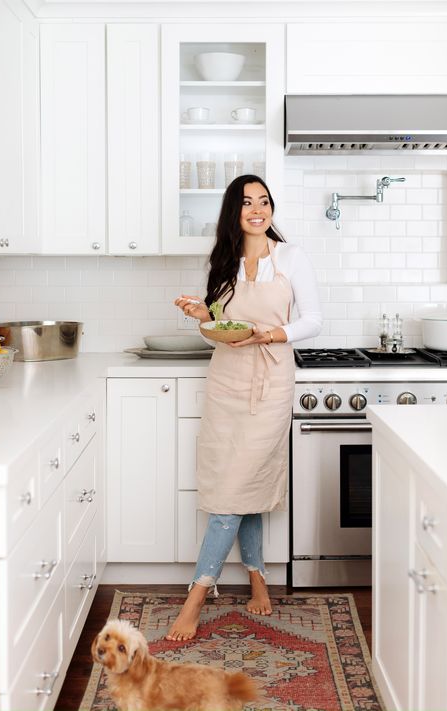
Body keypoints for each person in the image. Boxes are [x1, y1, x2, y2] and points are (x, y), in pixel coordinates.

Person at [168, 175, 322, 642]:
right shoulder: (223, 261)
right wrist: (203, 316)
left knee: (236, 486)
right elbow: (222, 325)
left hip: (270, 379)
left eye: (265, 201)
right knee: (239, 480)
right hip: (227, 380)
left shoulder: (291, 257)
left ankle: (196, 595)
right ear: (234, 211)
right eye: (248, 203)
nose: (258, 209)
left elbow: (314, 321)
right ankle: (257, 575)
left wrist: (270, 335)